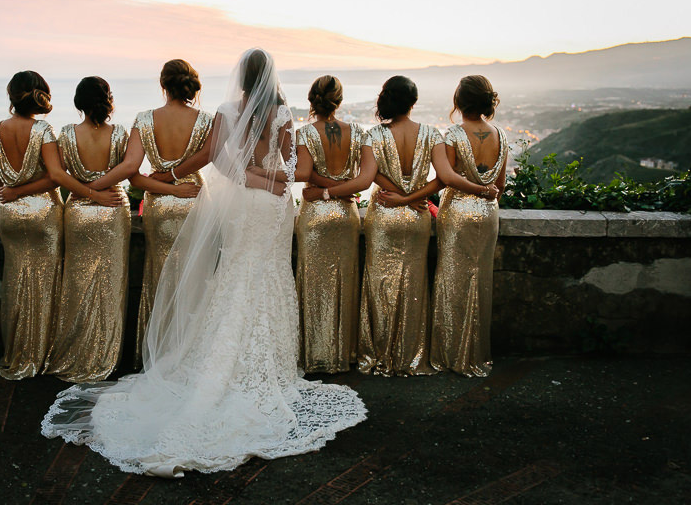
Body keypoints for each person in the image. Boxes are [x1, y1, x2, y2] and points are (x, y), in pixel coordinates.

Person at [41, 49, 366, 478]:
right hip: (272, 208)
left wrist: (244, 178)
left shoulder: (227, 109)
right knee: (269, 274)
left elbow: (218, 158)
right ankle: (271, 367)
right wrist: (266, 181)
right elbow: (288, 170)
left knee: (235, 272)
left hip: (243, 204)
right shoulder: (284, 113)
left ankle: (215, 362)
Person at [116, 60, 212, 367]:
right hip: (196, 199)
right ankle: (193, 354)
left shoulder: (145, 119)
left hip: (159, 204)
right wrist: (179, 185)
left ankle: (158, 354)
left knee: (159, 276)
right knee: (196, 276)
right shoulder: (207, 120)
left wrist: (166, 185)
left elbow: (133, 175)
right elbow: (211, 158)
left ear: (163, 85)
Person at [43, 77, 133, 383]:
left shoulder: (66, 134)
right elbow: (130, 170)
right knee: (111, 286)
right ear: (108, 100)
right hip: (113, 210)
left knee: (76, 285)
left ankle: (76, 354)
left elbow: (58, 175)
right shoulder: (120, 134)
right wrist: (101, 190)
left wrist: (86, 192)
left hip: (79, 211)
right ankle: (106, 357)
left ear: (79, 102)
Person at [357, 76, 446, 376]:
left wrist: (398, 197)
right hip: (417, 216)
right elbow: (442, 179)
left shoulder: (372, 135)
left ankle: (379, 354)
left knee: (379, 283)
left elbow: (369, 176)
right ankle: (410, 356)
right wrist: (412, 197)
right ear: (413, 102)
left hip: (384, 212)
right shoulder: (432, 134)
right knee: (413, 285)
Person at [293, 75, 376, 373]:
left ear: (311, 100)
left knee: (312, 284)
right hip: (345, 215)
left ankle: (313, 355)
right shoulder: (359, 132)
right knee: (345, 281)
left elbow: (304, 173)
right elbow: (363, 182)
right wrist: (341, 186)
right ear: (339, 101)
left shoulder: (303, 133)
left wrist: (323, 190)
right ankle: (342, 354)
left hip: (314, 215)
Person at [0, 71, 63, 380]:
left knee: (16, 282)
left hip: (10, 214)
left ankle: (16, 353)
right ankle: (42, 354)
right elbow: (55, 176)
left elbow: (0, 179)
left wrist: (11, 194)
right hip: (42, 212)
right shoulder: (43, 130)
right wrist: (23, 190)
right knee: (46, 285)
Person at [429, 75, 508, 377]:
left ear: (458, 102)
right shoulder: (500, 134)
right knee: (480, 280)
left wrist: (472, 190)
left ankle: (449, 353)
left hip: (458, 210)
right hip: (488, 213)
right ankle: (474, 353)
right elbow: (499, 185)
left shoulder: (452, 134)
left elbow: (447, 178)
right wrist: (485, 191)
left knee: (451, 280)